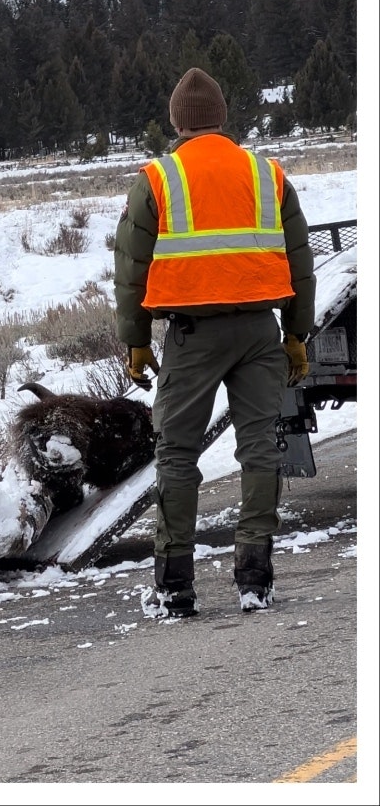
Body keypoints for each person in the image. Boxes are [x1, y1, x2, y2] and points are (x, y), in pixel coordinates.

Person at [114, 67, 315, 619]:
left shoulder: (158, 178)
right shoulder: (267, 173)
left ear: (177, 122)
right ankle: (256, 579)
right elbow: (301, 264)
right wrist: (296, 335)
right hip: (258, 331)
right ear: (222, 118)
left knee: (176, 453)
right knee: (259, 449)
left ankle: (175, 586)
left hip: (192, 336)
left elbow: (131, 268)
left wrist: (135, 340)